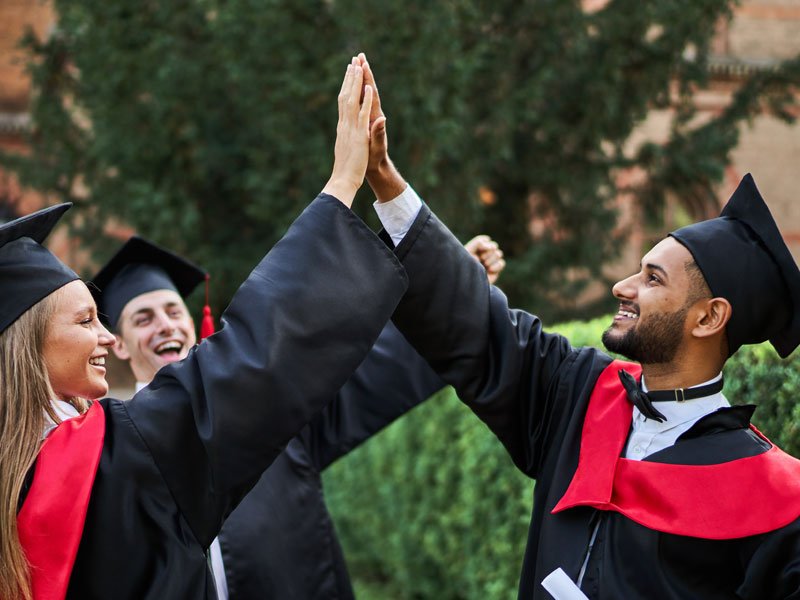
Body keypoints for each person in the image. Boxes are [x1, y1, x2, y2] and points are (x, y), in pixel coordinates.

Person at [355, 53, 800, 599]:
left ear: (709, 317)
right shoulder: (582, 397)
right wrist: (382, 178)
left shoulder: (773, 496)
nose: (622, 287)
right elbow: (478, 326)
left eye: (652, 279)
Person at [0, 58, 404, 600]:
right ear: (30, 349)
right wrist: (341, 185)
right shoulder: (113, 456)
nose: (105, 337)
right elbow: (252, 351)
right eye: (87, 319)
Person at [90, 233, 502, 599]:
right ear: (120, 345)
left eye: (173, 311)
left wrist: (446, 290)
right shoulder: (115, 448)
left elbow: (368, 368)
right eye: (143, 319)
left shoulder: (259, 402)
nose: (165, 326)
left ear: (194, 321)